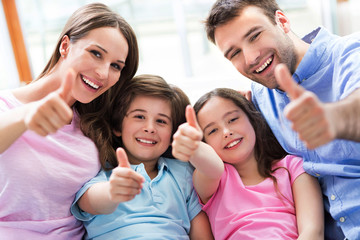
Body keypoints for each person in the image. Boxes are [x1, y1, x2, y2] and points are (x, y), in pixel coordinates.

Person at [204, 1, 360, 239]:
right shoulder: (258, 100)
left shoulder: (351, 54)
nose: (251, 57)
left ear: (283, 21)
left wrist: (335, 119)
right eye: (234, 53)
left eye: (255, 36)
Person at [0, 3, 139, 239]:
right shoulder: (7, 107)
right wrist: (27, 115)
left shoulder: (95, 125)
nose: (104, 74)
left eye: (116, 66)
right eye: (96, 53)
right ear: (65, 46)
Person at [71, 74, 214, 240]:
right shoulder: (104, 172)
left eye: (161, 121)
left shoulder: (183, 173)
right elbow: (89, 202)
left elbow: (201, 229)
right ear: (118, 126)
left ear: (172, 135)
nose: (150, 128)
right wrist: (112, 191)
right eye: (139, 117)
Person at [172, 88, 323, 239]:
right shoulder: (215, 181)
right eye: (212, 131)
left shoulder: (293, 167)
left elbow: (312, 231)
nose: (226, 132)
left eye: (232, 119)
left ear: (252, 118)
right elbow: (212, 167)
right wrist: (195, 147)